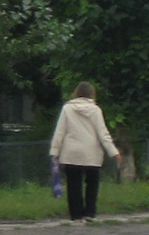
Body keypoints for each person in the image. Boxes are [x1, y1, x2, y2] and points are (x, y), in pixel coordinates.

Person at [49, 81, 124, 222]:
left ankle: (76, 215)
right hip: (92, 154)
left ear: (76, 93)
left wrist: (55, 152)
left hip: (71, 153)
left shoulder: (67, 109)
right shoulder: (95, 110)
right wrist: (114, 152)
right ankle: (90, 213)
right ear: (92, 94)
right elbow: (103, 134)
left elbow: (60, 132)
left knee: (74, 185)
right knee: (92, 184)